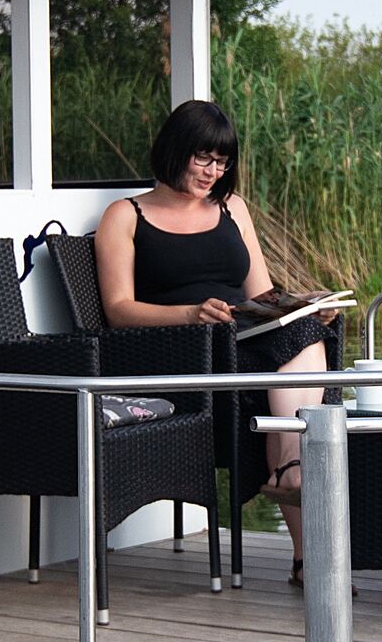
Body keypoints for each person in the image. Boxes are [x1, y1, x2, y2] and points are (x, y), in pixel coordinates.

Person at [91, 97, 332, 485]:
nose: (213, 172)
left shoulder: (232, 207)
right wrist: (189, 314)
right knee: (291, 370)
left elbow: (263, 296)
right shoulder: (125, 215)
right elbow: (118, 309)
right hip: (182, 352)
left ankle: (293, 477)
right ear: (175, 149)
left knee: (306, 333)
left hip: (244, 339)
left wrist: (303, 306)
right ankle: (291, 469)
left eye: (222, 162)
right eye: (204, 158)